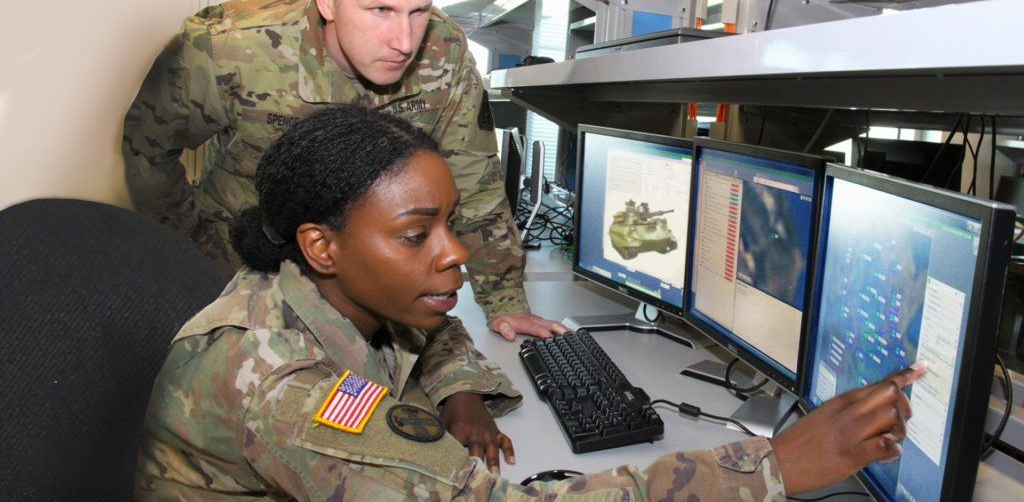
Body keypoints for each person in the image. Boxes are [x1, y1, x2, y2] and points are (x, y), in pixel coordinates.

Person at [137, 105, 928, 500]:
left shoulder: (307, 292)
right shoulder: (283, 392)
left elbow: (432, 330)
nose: (454, 252)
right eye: (418, 233)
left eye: (450, 221)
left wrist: (455, 388)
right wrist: (774, 465)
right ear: (322, 245)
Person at [121, 0, 562, 341]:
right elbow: (148, 150)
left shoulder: (443, 55)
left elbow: (476, 181)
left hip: (366, 282)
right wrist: (195, 245)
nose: (405, 41)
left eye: (419, 10)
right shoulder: (230, 50)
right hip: (244, 270)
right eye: (381, 10)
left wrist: (505, 301)